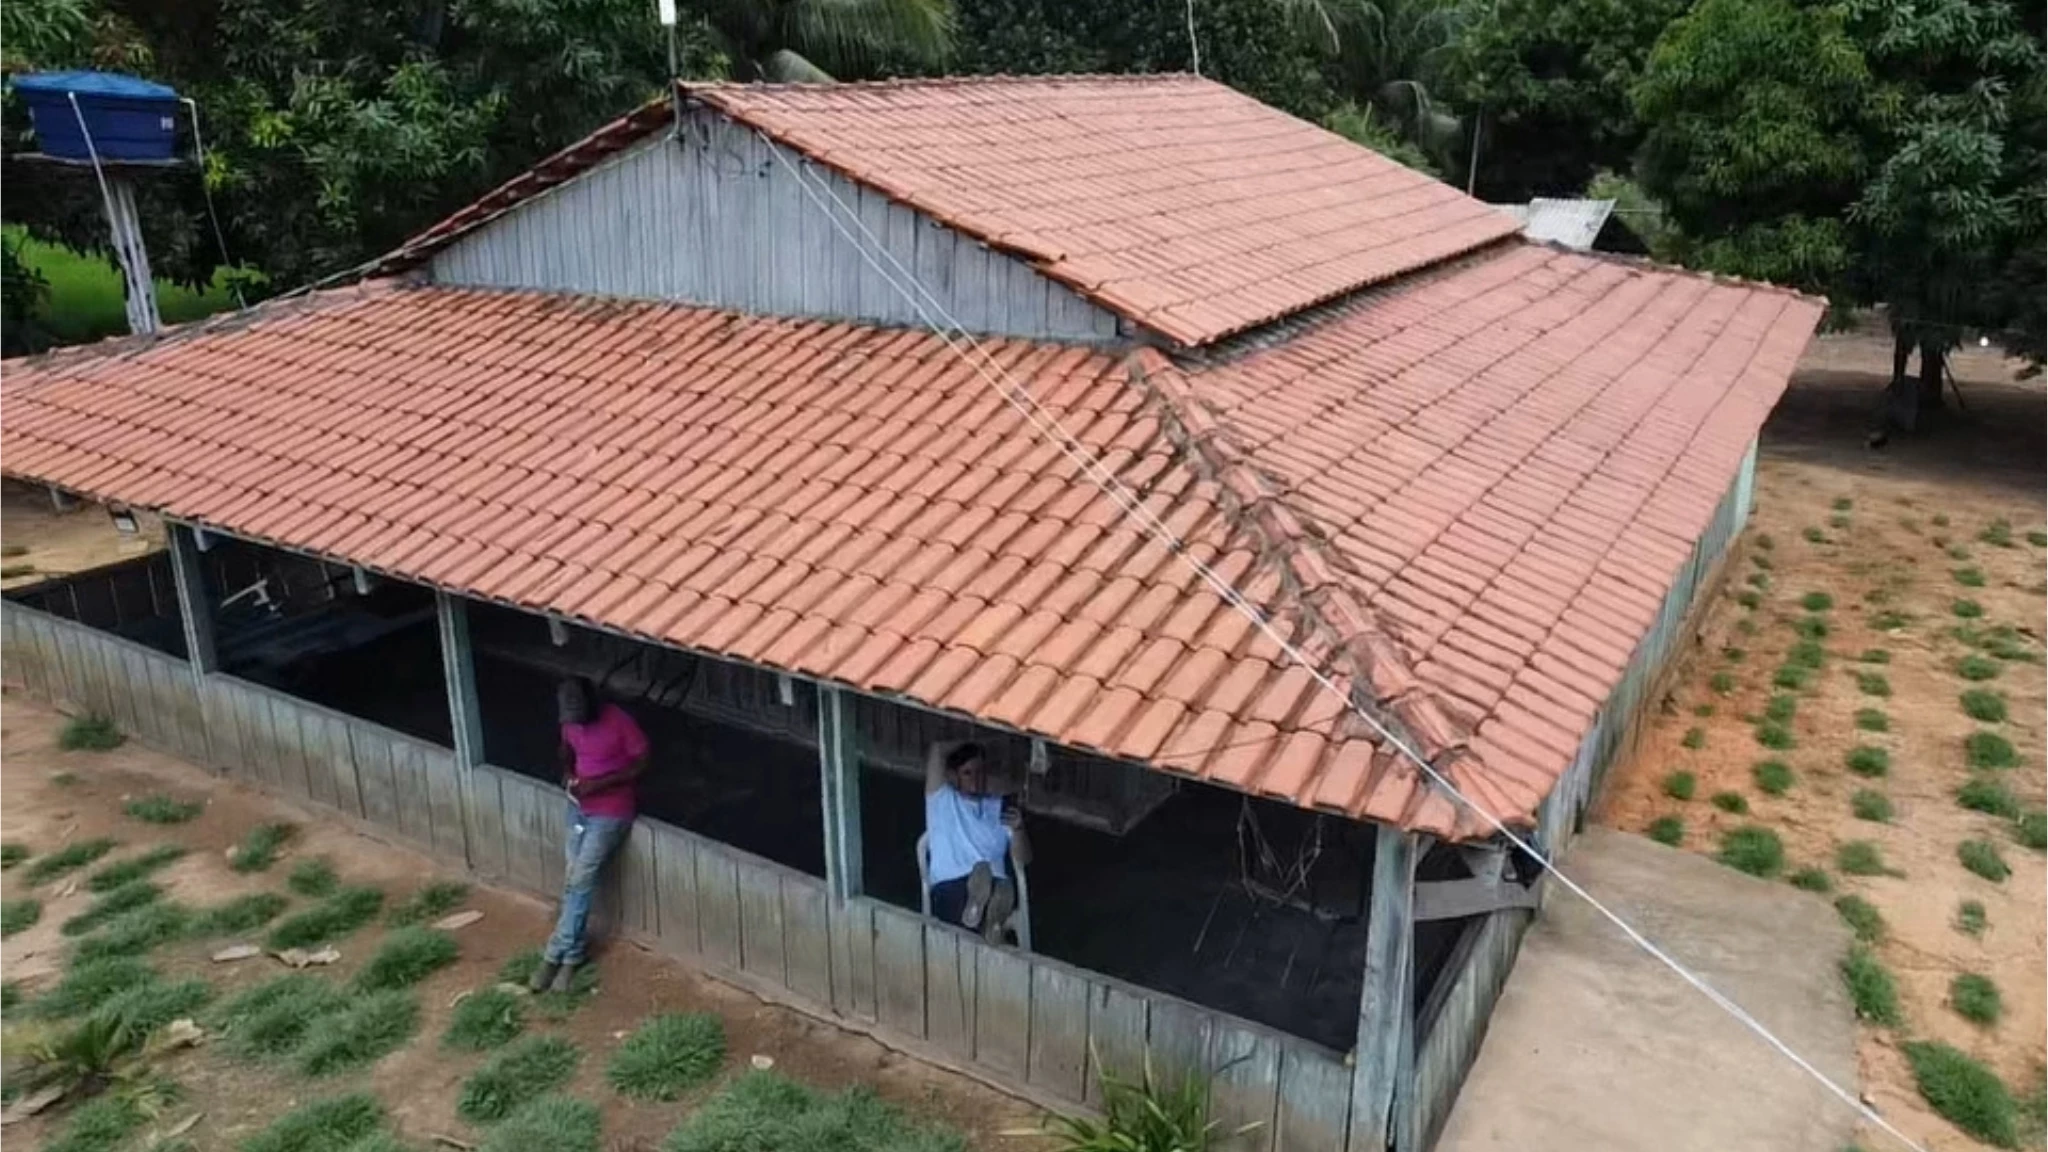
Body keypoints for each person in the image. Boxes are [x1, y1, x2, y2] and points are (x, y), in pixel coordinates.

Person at [530, 677, 648, 993]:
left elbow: (642, 763)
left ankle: (556, 955)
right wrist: (569, 773)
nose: (573, 721)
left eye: (578, 713)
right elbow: (566, 749)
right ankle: (571, 952)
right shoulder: (570, 724)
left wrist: (604, 783)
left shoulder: (618, 722)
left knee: (581, 877)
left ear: (592, 704)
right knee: (573, 877)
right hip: (578, 807)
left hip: (611, 811)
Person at [924, 740, 1029, 942]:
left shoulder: (998, 807)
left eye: (980, 772)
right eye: (967, 772)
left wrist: (1018, 829)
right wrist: (976, 739)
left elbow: (1023, 859)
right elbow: (937, 749)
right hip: (951, 884)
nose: (976, 778)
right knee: (983, 879)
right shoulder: (942, 799)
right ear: (954, 776)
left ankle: (982, 912)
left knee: (997, 886)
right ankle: (989, 920)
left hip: (997, 884)